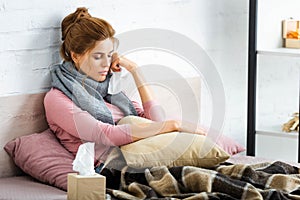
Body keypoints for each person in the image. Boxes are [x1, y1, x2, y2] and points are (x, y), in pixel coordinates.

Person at [44, 7, 206, 173]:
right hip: (110, 168)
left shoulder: (110, 89)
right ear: (75, 56)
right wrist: (174, 124)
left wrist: (135, 70)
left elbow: (155, 120)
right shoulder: (56, 98)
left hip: (145, 158)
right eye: (98, 56)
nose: (106, 63)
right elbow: (106, 135)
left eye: (109, 55)